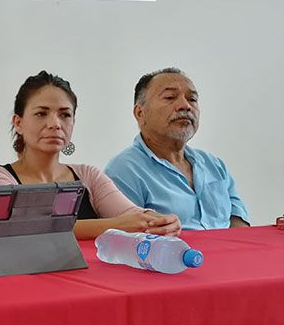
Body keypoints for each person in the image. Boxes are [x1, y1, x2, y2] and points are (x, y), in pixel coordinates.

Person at [0, 71, 181, 239]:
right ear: (18, 123)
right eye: (41, 113)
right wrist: (116, 225)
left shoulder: (88, 175)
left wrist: (159, 221)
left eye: (65, 115)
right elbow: (20, 229)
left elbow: (130, 214)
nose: (55, 124)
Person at [105, 67, 249, 230]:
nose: (185, 106)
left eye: (192, 99)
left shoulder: (214, 165)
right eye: (170, 97)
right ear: (140, 113)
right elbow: (128, 240)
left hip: (229, 253)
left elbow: (239, 223)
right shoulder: (124, 170)